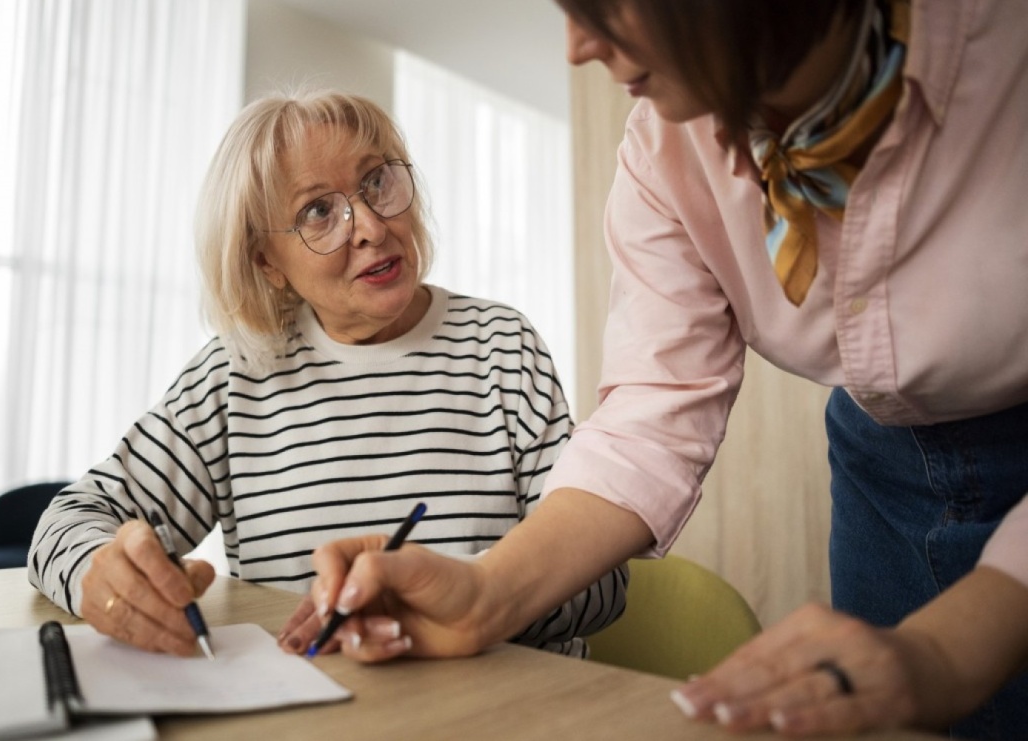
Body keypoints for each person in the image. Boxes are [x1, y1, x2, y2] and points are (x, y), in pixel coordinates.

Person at [298, 1, 1028, 738]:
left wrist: (944, 653)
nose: (577, 47)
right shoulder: (662, 149)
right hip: (882, 469)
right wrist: (485, 593)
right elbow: (651, 413)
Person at [27, 89, 626, 661]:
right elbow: (66, 523)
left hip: (509, 703)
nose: (371, 226)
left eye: (377, 182)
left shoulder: (501, 347)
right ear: (267, 262)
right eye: (318, 211)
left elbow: (601, 581)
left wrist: (461, 596)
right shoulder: (234, 376)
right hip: (317, 704)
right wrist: (101, 577)